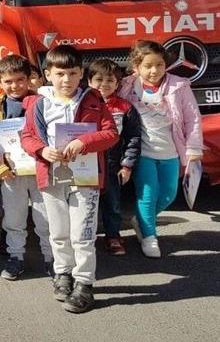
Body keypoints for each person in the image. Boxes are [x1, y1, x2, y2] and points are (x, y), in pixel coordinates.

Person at [21, 45, 118, 314]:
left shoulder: (94, 100)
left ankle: (85, 282)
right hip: (51, 176)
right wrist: (42, 150)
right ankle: (63, 273)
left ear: (81, 74)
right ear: (48, 74)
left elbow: (111, 134)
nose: (66, 80)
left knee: (82, 234)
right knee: (59, 232)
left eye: (73, 73)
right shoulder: (38, 103)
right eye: (60, 73)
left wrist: (83, 142)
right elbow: (26, 137)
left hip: (85, 177)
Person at [118, 40, 202, 258]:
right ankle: (149, 236)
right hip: (143, 152)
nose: (154, 70)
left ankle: (140, 221)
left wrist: (194, 147)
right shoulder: (126, 86)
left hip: (171, 151)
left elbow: (192, 119)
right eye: (148, 66)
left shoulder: (179, 86)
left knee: (168, 194)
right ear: (136, 67)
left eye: (159, 65)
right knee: (147, 194)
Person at [0, 55, 53, 280]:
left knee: (45, 218)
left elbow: (51, 134)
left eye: (20, 80)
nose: (15, 86)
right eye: (8, 81)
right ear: (0, 81)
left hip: (39, 170)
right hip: (10, 174)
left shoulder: (42, 102)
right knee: (14, 218)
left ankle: (52, 259)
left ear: (29, 79)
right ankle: (15, 257)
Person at [86, 59, 141, 256]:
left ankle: (113, 236)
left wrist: (127, 165)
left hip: (112, 165)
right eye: (98, 79)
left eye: (110, 80)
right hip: (86, 165)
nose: (104, 84)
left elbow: (133, 137)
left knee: (113, 204)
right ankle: (86, 238)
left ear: (118, 83)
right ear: (89, 81)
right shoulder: (81, 104)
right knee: (86, 205)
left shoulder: (125, 107)